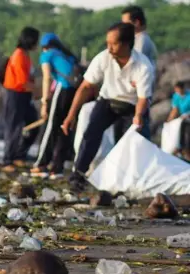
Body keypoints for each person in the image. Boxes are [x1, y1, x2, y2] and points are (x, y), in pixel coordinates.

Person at [61, 22, 154, 192]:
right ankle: (78, 176)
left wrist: (139, 117)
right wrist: (71, 115)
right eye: (107, 43)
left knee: (136, 143)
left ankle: (132, 182)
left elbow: (143, 99)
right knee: (90, 135)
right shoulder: (103, 57)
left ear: (127, 44)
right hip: (108, 102)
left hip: (133, 107)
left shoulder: (143, 66)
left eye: (114, 44)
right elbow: (85, 87)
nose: (109, 48)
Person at [31, 33, 80, 178]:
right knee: (64, 127)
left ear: (44, 47)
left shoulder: (47, 55)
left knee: (51, 127)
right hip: (73, 92)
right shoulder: (67, 55)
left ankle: (41, 164)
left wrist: (44, 101)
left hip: (62, 90)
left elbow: (46, 78)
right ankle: (57, 167)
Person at [1, 27, 40, 173]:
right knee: (13, 128)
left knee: (33, 124)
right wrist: (38, 90)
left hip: (24, 95)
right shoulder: (18, 55)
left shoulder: (25, 55)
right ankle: (7, 160)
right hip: (15, 94)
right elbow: (22, 81)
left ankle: (20, 154)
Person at [117, 5, 158, 141]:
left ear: (137, 22)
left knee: (138, 136)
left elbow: (134, 65)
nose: (123, 27)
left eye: (125, 23)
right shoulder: (139, 40)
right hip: (138, 96)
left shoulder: (141, 40)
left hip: (139, 97)